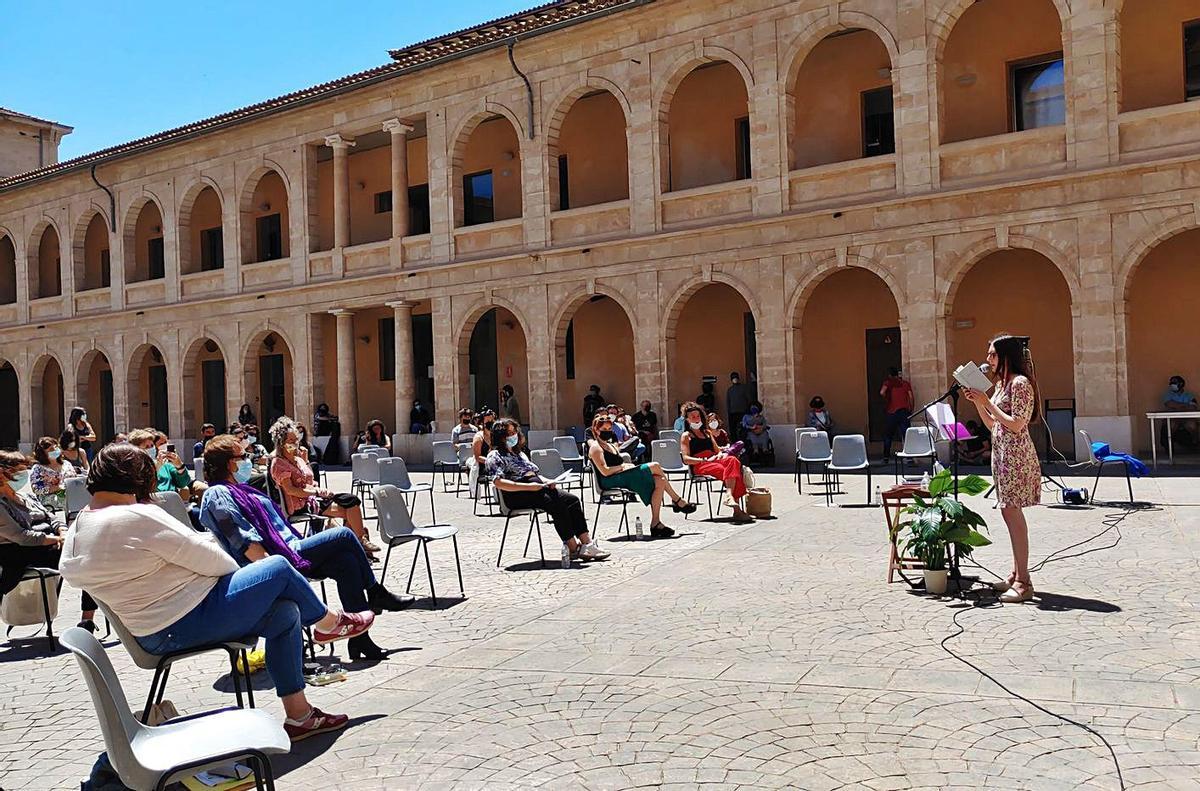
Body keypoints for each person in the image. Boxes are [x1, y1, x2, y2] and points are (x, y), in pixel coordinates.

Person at [61, 443, 369, 740]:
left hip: (150, 633)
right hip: (185, 620)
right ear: (138, 480)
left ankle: (300, 716)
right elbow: (220, 563)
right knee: (276, 568)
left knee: (285, 613)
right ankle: (328, 623)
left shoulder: (80, 527)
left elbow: (81, 574)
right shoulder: (134, 517)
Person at [200, 434, 410, 661]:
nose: (248, 460)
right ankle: (375, 591)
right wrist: (271, 568)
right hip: (279, 558)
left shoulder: (243, 488)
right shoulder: (217, 494)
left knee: (346, 563)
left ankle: (361, 640)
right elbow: (241, 538)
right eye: (243, 456)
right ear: (230, 462)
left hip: (291, 548)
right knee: (343, 534)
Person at [963, 334, 1041, 604]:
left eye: (992, 354)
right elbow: (993, 424)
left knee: (1013, 515)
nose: (988, 359)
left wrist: (987, 402)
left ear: (1006, 356)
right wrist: (978, 402)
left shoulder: (1020, 383)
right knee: (1009, 515)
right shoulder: (1001, 385)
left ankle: (1024, 581)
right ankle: (1015, 573)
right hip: (1002, 455)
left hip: (1016, 456)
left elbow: (1017, 424)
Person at [0, 450, 98, 632]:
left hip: (50, 544)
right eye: (19, 471)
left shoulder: (25, 496)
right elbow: (22, 536)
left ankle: (88, 619)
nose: (24, 475)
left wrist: (62, 530)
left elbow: (52, 516)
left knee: (91, 557)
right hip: (21, 553)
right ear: (3, 473)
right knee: (87, 560)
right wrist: (57, 539)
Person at [486, 419, 609, 562]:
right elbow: (499, 482)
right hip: (517, 493)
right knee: (556, 504)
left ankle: (587, 543)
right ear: (500, 436)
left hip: (537, 488)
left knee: (572, 500)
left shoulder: (519, 453)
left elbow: (534, 474)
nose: (514, 436)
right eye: (509, 433)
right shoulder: (495, 456)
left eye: (515, 432)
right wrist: (529, 487)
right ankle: (573, 547)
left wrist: (546, 481)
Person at [268, 417, 381, 557]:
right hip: (301, 503)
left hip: (313, 497)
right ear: (281, 443)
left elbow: (309, 479)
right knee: (350, 510)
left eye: (296, 440)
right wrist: (316, 492)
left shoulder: (298, 459)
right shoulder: (278, 463)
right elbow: (291, 490)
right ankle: (358, 541)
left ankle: (355, 543)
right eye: (290, 441)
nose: (295, 444)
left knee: (352, 501)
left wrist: (307, 463)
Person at [587, 414, 694, 538]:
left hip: (622, 475)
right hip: (609, 480)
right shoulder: (595, 448)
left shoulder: (610, 445)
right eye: (604, 430)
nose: (607, 432)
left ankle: (656, 523)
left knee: (660, 480)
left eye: (609, 429)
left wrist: (625, 466)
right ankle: (677, 500)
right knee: (655, 465)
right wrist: (623, 467)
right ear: (596, 430)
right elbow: (605, 471)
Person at [679, 402, 753, 523]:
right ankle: (737, 511)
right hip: (700, 464)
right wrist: (703, 460)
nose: (696, 419)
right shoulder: (686, 436)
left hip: (714, 460)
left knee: (733, 461)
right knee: (731, 472)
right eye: (692, 416)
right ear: (687, 419)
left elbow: (717, 451)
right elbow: (686, 459)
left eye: (698, 416)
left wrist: (718, 456)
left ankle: (729, 496)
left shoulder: (707, 433)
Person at [129, 429, 196, 503]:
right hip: (151, 505)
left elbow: (183, 483)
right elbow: (143, 489)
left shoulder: (165, 465)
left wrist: (179, 466)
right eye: (146, 446)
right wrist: (156, 468)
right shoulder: (133, 469)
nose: (151, 448)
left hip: (172, 503)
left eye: (152, 445)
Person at [30, 436, 78, 511]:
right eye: (51, 449)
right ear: (43, 453)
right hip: (51, 508)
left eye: (56, 447)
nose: (55, 450)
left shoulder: (67, 464)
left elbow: (74, 481)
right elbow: (36, 489)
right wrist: (57, 488)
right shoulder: (38, 468)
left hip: (72, 505)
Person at [880, 367, 915, 461]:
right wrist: (911, 408)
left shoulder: (888, 383)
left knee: (888, 435)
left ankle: (886, 457)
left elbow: (882, 392)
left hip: (891, 412)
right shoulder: (905, 383)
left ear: (890, 375)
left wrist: (887, 398)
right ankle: (909, 458)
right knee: (906, 435)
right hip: (903, 411)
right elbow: (911, 397)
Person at [1161, 375, 1199, 449]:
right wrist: (1186, 405)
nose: (1172, 384)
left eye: (1174, 382)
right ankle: (1169, 446)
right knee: (1170, 426)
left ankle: (1195, 443)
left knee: (1193, 426)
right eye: (1171, 382)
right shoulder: (1168, 394)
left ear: (1181, 384)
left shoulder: (1189, 395)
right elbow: (1169, 404)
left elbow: (1193, 407)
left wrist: (1176, 406)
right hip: (1173, 419)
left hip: (1186, 419)